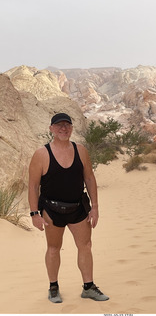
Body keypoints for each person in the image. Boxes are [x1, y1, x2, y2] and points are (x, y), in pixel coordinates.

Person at [28, 112, 109, 303]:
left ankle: (88, 287)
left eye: (67, 125)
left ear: (72, 128)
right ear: (51, 129)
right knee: (54, 248)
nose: (63, 129)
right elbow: (32, 185)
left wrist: (95, 207)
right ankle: (53, 287)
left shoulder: (80, 150)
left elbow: (89, 178)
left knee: (86, 245)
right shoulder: (42, 154)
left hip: (78, 208)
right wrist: (34, 214)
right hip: (52, 210)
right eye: (59, 126)